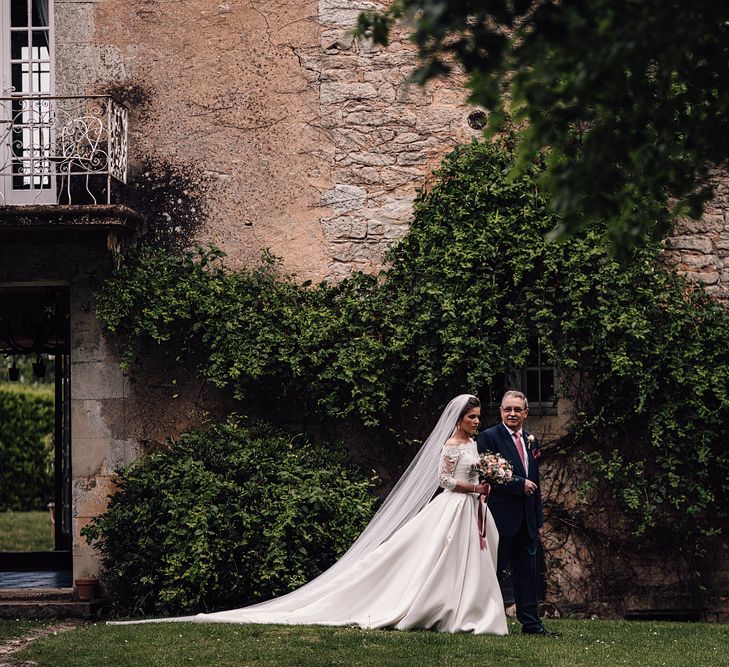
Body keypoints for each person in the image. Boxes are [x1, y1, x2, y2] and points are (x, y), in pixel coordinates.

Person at [112, 394, 508, 634]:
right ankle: (441, 609)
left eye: (477, 417)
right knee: (435, 559)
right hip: (455, 506)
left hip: (473, 509)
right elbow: (445, 482)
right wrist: (477, 485)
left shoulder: (473, 445)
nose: (477, 421)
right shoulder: (451, 444)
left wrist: (486, 478)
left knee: (470, 561)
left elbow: (470, 474)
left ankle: (468, 610)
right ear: (458, 419)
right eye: (472, 417)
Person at [477, 390, 559, 637]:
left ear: (526, 412)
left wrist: (538, 517)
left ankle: (532, 625)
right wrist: (517, 484)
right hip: (500, 519)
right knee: (493, 572)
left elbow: (535, 482)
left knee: (528, 574)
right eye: (507, 409)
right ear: (501, 411)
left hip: (527, 520)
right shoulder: (488, 437)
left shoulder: (531, 440)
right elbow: (486, 474)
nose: (512, 413)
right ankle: (483, 622)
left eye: (517, 409)